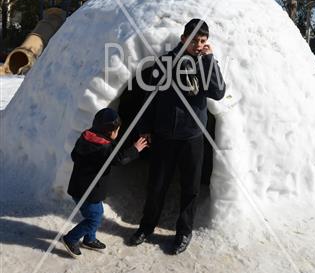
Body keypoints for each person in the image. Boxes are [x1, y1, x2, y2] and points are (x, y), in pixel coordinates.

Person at [130, 19, 226, 254]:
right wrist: (145, 128)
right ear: (183, 39)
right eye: (194, 40)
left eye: (202, 41)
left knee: (190, 187)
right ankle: (146, 226)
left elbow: (218, 92)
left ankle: (184, 232)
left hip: (192, 137)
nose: (197, 45)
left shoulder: (205, 64)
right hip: (164, 135)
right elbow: (149, 99)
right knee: (157, 184)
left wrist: (209, 60)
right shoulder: (165, 63)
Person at [61, 108, 149, 258]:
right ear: (110, 132)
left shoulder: (86, 137)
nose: (118, 133)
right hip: (89, 192)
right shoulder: (104, 148)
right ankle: (70, 238)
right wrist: (135, 149)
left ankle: (89, 239)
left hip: (81, 188)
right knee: (93, 218)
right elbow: (120, 159)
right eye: (117, 130)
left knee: (96, 213)